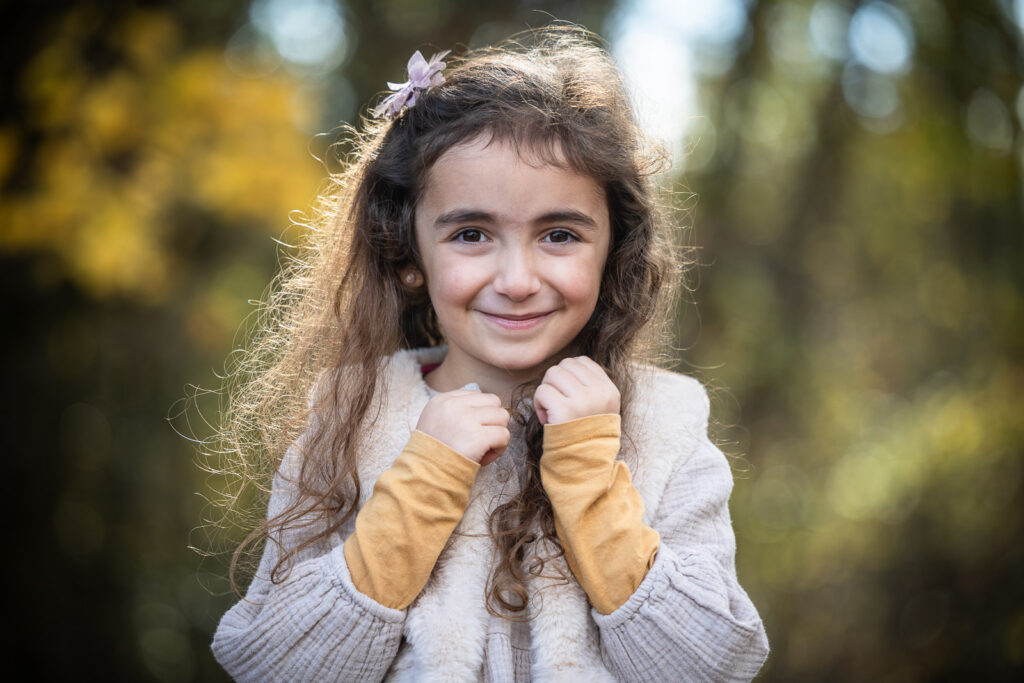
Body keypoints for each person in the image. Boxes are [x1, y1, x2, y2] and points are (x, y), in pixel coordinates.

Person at [209, 26, 769, 681]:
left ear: (613, 250)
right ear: (409, 253)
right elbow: (273, 665)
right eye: (472, 234)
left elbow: (715, 663)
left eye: (559, 234)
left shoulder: (665, 427)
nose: (517, 279)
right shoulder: (348, 417)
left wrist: (593, 491)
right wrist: (415, 497)